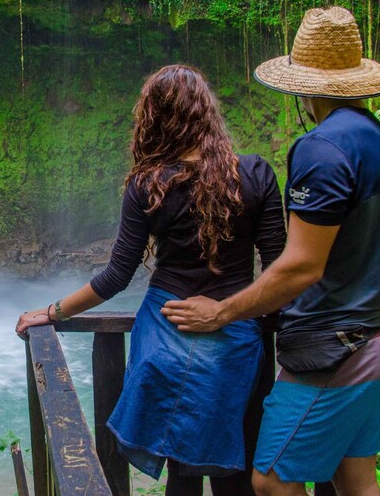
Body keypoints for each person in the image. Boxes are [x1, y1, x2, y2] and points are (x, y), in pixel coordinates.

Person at [160, 7, 380, 496]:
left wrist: (223, 311)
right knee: (355, 478)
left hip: (339, 347)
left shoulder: (321, 148)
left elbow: (301, 264)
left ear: (303, 85)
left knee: (273, 480)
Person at [16, 64, 286, 495]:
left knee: (181, 469)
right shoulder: (255, 175)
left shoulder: (149, 185)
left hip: (165, 335)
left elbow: (116, 276)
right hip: (236, 336)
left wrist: (52, 312)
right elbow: (279, 269)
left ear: (154, 119)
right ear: (207, 114)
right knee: (237, 459)